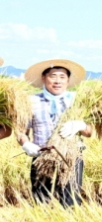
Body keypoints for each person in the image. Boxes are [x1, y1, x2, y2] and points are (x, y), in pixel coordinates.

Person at [19, 59, 92, 206]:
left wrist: (81, 125)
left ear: (68, 80)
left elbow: (89, 132)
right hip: (41, 156)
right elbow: (21, 131)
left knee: (71, 202)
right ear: (44, 78)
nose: (57, 81)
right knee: (41, 201)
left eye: (62, 76)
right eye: (53, 76)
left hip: (71, 157)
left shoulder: (77, 100)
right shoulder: (30, 102)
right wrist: (26, 144)